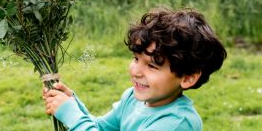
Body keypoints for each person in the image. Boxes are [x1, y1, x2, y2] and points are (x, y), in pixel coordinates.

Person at [43, 8, 227, 130]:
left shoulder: (177, 123)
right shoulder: (131, 99)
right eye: (136, 58)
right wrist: (74, 105)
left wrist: (73, 116)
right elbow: (100, 127)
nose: (136, 71)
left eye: (152, 66)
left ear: (187, 78)